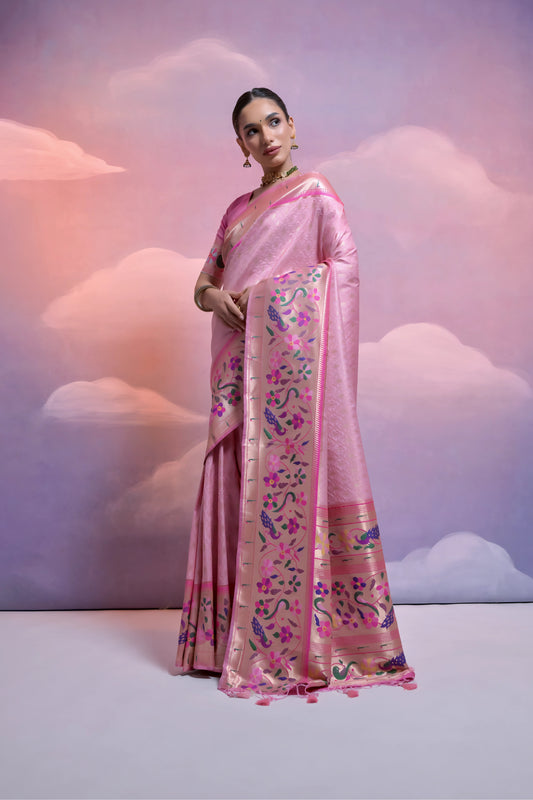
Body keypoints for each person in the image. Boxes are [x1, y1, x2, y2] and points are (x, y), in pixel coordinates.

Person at [174, 88, 417, 702]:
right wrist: (218, 299)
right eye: (251, 131)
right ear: (241, 146)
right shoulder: (236, 211)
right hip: (238, 370)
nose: (266, 137)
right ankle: (229, 636)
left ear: (293, 125)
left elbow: (343, 268)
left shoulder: (317, 195)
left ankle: (310, 637)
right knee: (235, 476)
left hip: (292, 375)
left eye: (273, 122)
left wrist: (265, 302)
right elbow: (203, 284)